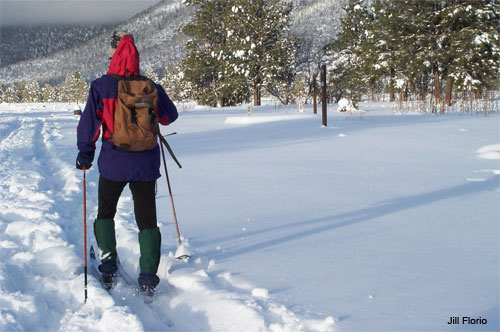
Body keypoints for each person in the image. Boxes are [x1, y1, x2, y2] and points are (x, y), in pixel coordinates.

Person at [76, 31, 178, 296]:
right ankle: (147, 277)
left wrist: (85, 152)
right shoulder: (149, 86)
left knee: (106, 213)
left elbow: (89, 124)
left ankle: (108, 266)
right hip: (145, 164)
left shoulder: (101, 86)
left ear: (114, 55)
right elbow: (170, 116)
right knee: (146, 220)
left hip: (113, 162)